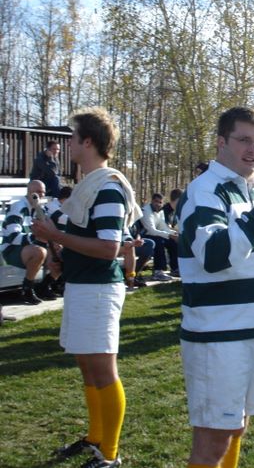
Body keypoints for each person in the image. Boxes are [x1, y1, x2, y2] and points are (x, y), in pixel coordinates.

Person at [177, 106, 254, 468]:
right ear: (221, 142)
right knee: (212, 443)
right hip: (218, 340)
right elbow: (213, 255)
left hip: (250, 334)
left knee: (237, 427)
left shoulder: (250, 192)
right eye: (243, 139)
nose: (253, 149)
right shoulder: (205, 190)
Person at [31, 107, 141, 468]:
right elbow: (84, 237)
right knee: (87, 366)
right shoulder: (89, 187)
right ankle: (95, 437)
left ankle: (109, 455)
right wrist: (61, 256)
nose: (68, 145)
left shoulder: (107, 188)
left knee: (103, 370)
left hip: (99, 290)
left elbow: (110, 248)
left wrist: (57, 236)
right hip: (83, 285)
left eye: (72, 138)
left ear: (88, 142)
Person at [0, 180, 51, 303]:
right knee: (40, 252)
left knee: (60, 251)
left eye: (43, 192)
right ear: (29, 192)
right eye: (38, 192)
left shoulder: (39, 209)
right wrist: (35, 237)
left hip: (28, 247)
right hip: (11, 249)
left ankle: (46, 286)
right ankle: (27, 289)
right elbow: (13, 237)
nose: (41, 195)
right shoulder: (18, 207)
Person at [140, 192, 179, 280]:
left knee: (173, 242)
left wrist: (174, 234)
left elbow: (163, 228)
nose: (158, 204)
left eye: (160, 202)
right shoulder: (145, 211)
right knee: (159, 242)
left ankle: (175, 268)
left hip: (155, 235)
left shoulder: (160, 212)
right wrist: (169, 235)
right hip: (144, 236)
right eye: (156, 201)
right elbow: (151, 230)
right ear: (152, 201)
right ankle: (158, 271)